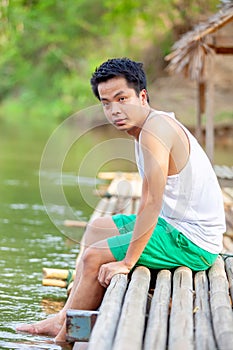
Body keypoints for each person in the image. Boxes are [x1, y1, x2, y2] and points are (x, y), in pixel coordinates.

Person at [16, 58, 226, 343]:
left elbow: (152, 200)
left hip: (192, 242)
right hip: (174, 228)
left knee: (93, 257)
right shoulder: (148, 128)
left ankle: (64, 337)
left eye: (122, 98)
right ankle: (65, 314)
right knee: (98, 228)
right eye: (106, 103)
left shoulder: (155, 131)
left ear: (142, 96)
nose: (114, 110)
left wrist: (127, 262)